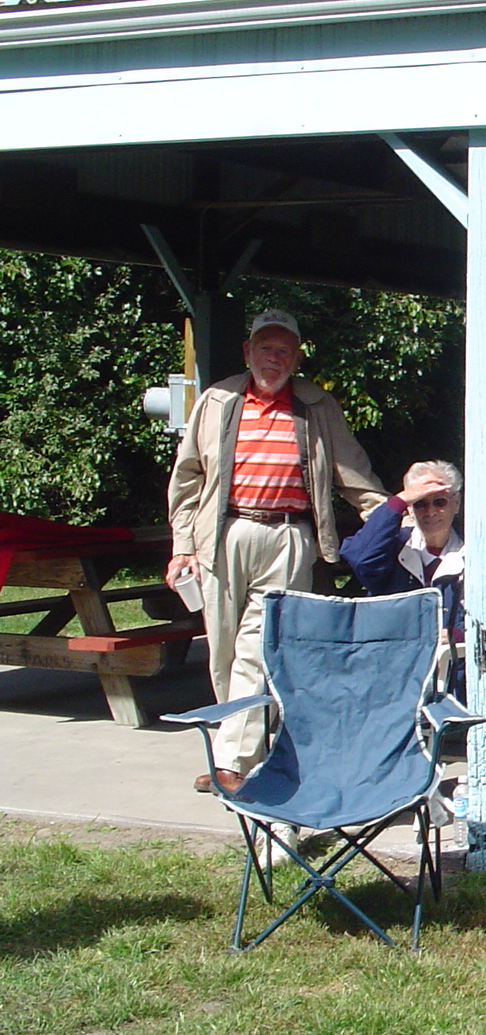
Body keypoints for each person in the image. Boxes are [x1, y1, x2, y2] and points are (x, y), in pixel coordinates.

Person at [167, 308, 387, 794]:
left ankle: (234, 759)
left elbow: (352, 472)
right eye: (265, 347)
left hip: (288, 537)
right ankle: (244, 744)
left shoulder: (315, 405)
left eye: (284, 349)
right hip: (223, 534)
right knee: (223, 648)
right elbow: (188, 478)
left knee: (257, 646)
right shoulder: (217, 399)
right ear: (247, 352)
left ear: (298, 357)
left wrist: (393, 517)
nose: (274, 357)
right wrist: (183, 545)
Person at [339, 460, 466, 696]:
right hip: (388, 675)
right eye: (420, 503)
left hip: (450, 679)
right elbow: (361, 558)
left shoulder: (472, 555)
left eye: (439, 502)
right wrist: (398, 502)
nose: (430, 512)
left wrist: (456, 635)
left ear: (456, 503)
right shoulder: (394, 547)